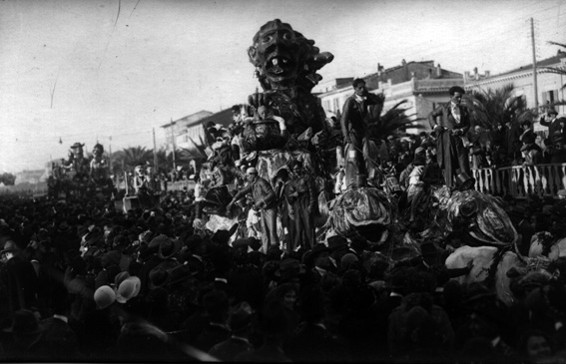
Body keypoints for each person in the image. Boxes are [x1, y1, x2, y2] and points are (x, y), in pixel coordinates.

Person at [340, 78, 383, 186]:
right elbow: (343, 120)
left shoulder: (364, 99)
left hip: (363, 133)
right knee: (354, 157)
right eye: (360, 88)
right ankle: (356, 179)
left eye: (364, 87)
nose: (362, 89)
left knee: (367, 155)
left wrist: (368, 94)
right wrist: (346, 136)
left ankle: (369, 178)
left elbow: (378, 100)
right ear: (355, 89)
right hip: (353, 133)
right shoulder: (350, 101)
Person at [428, 86, 473, 188]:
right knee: (450, 164)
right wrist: (435, 126)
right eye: (457, 97)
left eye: (461, 97)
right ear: (451, 97)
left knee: (463, 164)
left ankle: (467, 187)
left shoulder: (464, 109)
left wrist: (461, 130)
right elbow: (431, 115)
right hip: (448, 139)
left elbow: (468, 124)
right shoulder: (444, 108)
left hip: (460, 139)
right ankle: (450, 187)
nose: (459, 99)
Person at [227, 167, 278, 253]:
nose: (247, 178)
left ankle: (275, 251)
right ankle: (266, 252)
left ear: (253, 175)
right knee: (265, 232)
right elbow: (241, 192)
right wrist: (231, 202)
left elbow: (271, 194)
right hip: (263, 209)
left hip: (270, 209)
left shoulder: (261, 182)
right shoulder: (252, 184)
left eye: (248, 176)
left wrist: (261, 201)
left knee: (272, 231)